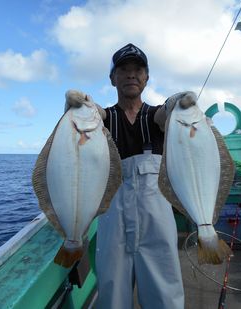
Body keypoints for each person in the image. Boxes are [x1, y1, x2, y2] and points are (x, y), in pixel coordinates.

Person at [94, 43, 185, 309]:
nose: (131, 75)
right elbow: (95, 114)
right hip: (113, 223)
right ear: (113, 78)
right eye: (123, 70)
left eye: (138, 70)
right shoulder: (103, 119)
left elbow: (165, 116)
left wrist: (177, 105)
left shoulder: (155, 116)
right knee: (112, 295)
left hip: (157, 223)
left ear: (146, 78)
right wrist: (82, 108)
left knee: (164, 294)